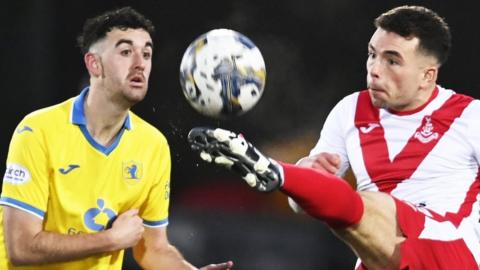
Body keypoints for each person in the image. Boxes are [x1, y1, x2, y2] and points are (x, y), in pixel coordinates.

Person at [188, 5, 480, 270]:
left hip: (450, 250)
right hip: (379, 255)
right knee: (351, 211)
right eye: (372, 54)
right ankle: (281, 172)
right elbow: (301, 206)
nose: (374, 70)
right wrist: (308, 171)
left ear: (428, 75)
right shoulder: (349, 111)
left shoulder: (470, 116)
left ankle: (276, 169)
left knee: (368, 203)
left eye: (392, 61)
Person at [0, 7, 233, 270]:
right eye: (125, 52)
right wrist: (110, 239)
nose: (140, 63)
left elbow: (152, 250)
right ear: (94, 64)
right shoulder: (37, 131)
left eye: (146, 53)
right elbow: (20, 247)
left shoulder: (152, 145)